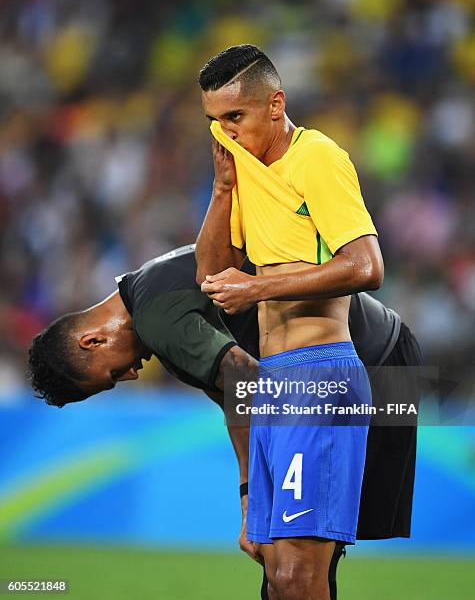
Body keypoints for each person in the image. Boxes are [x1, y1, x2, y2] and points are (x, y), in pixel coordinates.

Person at [28, 245, 421, 600]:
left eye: (113, 375)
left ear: (92, 341)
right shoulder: (149, 288)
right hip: (370, 364)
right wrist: (251, 496)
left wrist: (264, 497)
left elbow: (249, 382)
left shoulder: (158, 322)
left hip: (368, 369)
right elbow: (235, 396)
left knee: (296, 569)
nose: (130, 374)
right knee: (290, 569)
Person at [195, 44, 384, 599]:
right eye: (214, 122)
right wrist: (224, 189)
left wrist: (259, 286)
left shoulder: (318, 156)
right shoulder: (246, 173)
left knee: (301, 574)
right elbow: (212, 276)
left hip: (318, 374)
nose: (225, 133)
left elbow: (366, 265)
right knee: (275, 574)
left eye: (235, 117)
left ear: (275, 104)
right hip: (276, 385)